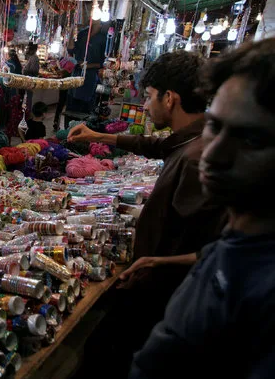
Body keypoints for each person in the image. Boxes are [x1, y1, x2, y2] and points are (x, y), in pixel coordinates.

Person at [68, 50, 226, 377]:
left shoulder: (197, 159)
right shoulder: (194, 137)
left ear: (170, 99)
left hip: (165, 296)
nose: (145, 105)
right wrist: (98, 135)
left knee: (105, 357)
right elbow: (153, 146)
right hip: (154, 285)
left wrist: (157, 263)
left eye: (150, 96)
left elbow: (220, 249)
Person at [130, 38, 275, 379]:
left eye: (252, 140)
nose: (214, 154)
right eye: (214, 126)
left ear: (170, 98)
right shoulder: (234, 245)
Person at [65, 20, 107, 123]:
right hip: (76, 74)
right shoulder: (83, 33)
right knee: (71, 107)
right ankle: (67, 131)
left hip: (90, 77)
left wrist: (89, 66)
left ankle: (82, 131)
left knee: (85, 109)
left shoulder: (103, 38)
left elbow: (105, 62)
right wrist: (71, 30)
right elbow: (70, 49)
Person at [2, 49, 24, 141]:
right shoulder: (18, 64)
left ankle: (8, 127)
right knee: (14, 109)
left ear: (8, 55)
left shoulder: (8, 63)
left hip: (8, 88)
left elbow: (5, 76)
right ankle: (14, 127)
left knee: (8, 108)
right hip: (16, 89)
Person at [22, 43, 40, 114]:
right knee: (27, 96)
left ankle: (28, 111)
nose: (28, 50)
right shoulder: (32, 57)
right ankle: (27, 110)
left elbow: (34, 70)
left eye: (29, 49)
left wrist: (25, 70)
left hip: (30, 79)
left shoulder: (34, 58)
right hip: (29, 79)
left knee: (29, 96)